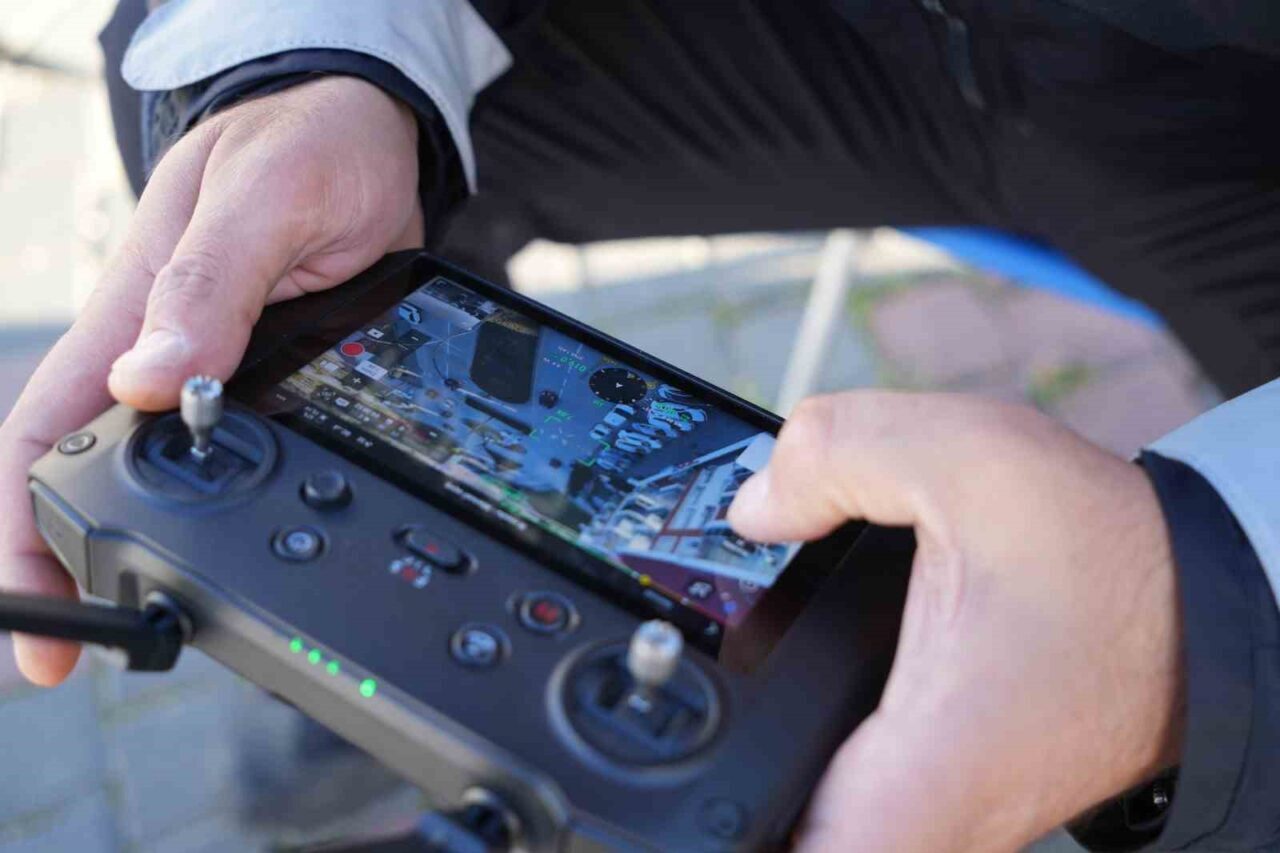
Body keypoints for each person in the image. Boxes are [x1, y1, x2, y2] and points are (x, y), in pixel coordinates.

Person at [1, 0, 1277, 848]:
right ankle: (353, 636)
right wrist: (317, 54)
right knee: (276, 158)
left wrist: (1211, 601)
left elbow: (1220, 598)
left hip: (1226, 116)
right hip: (823, 28)